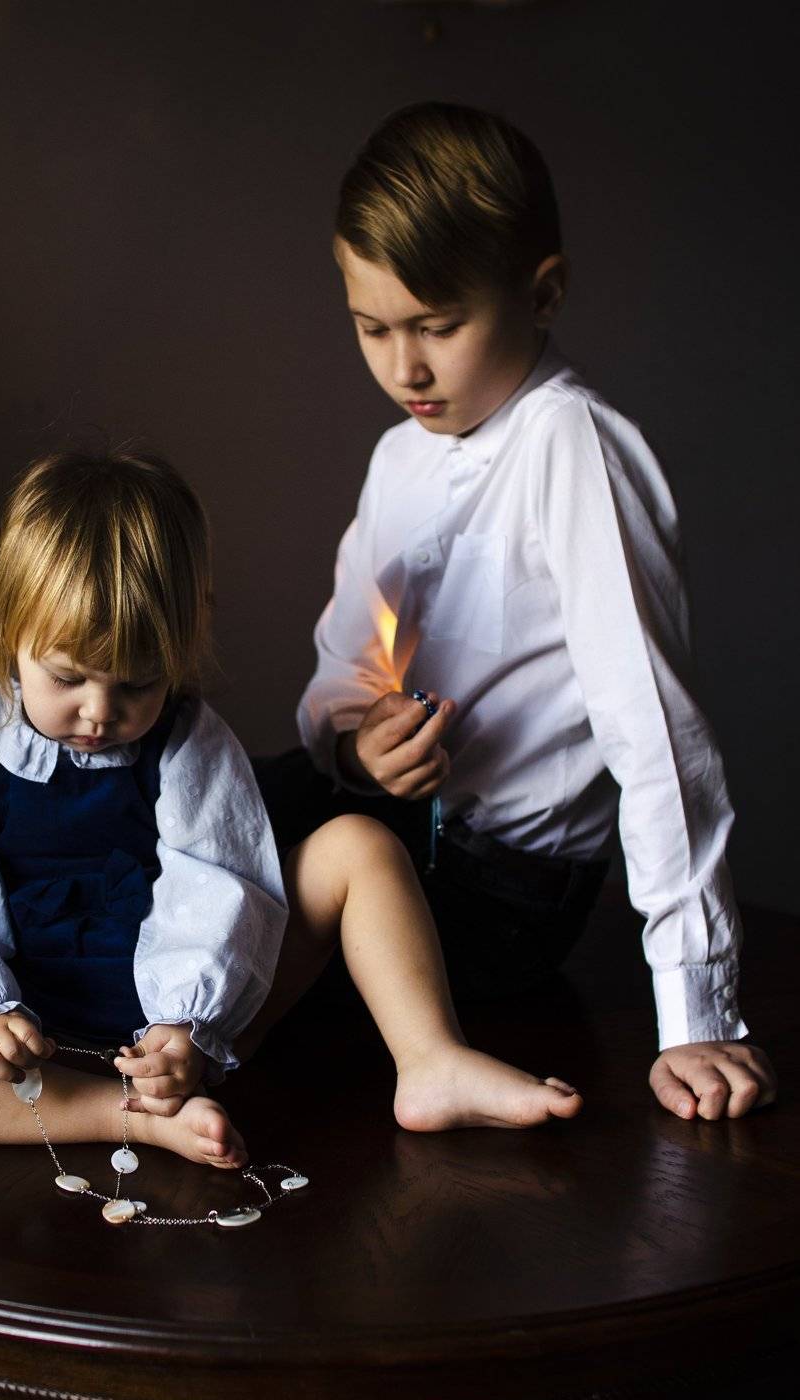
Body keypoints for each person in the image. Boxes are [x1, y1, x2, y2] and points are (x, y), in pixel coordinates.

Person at [0, 446, 586, 1170]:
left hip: (197, 1020)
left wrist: (185, 1026)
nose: (100, 711)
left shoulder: (187, 740)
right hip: (46, 1046)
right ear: (8, 635)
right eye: (68, 678)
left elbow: (217, 881)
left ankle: (431, 1059)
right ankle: (125, 1118)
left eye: (137, 684)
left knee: (357, 846)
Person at [273, 100, 775, 1123]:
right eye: (373, 329)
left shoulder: (571, 446)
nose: (404, 369)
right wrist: (360, 747)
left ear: (541, 294)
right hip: (395, 825)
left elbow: (656, 732)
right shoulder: (397, 456)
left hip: (503, 893)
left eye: (438, 328)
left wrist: (696, 1012)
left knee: (241, 882)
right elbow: (340, 670)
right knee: (194, 793)